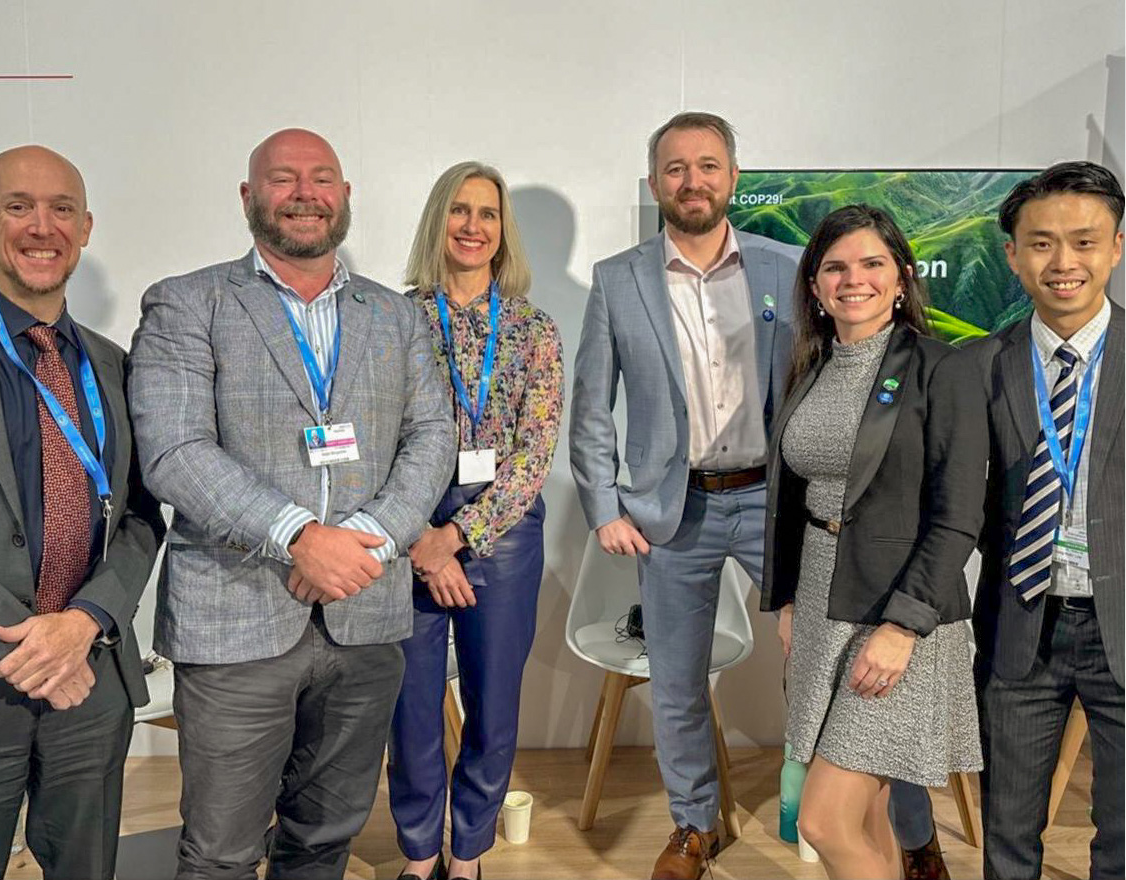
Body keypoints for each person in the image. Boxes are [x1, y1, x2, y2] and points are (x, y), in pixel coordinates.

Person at [127, 128, 456, 880]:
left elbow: (432, 436)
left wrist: (363, 540)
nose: (304, 193)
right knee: (220, 851)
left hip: (365, 615)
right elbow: (175, 452)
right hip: (236, 616)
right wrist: (300, 537)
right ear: (249, 198)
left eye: (321, 178)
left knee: (325, 836)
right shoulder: (187, 303)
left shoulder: (395, 315)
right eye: (283, 179)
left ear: (344, 197)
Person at [570, 111, 799, 880]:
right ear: (653, 183)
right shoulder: (617, 278)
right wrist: (603, 506)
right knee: (674, 681)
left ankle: (858, 816)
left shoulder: (786, 269)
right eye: (675, 168)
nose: (691, 181)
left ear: (732, 176)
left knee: (825, 661)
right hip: (675, 512)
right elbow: (590, 405)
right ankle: (694, 826)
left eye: (707, 165)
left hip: (776, 504)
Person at [0, 145, 164, 879]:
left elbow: (142, 515)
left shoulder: (116, 365)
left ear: (86, 227)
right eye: (18, 206)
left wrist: (83, 624)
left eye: (61, 209)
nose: (42, 227)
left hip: (89, 678)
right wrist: (29, 646)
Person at [760, 204, 985, 879]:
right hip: (820, 606)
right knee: (865, 818)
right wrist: (788, 601)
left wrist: (902, 629)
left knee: (823, 821)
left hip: (898, 617)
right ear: (813, 285)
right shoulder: (811, 365)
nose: (850, 279)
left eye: (870, 264)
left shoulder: (940, 370)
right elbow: (795, 500)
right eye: (833, 266)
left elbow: (956, 517)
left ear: (900, 280)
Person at [386, 162, 563, 880]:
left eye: (486, 214)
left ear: (501, 232)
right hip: (407, 531)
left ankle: (469, 855)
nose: (471, 225)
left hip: (503, 536)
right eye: (458, 211)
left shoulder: (531, 328)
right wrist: (421, 542)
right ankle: (419, 853)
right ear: (439, 221)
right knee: (411, 708)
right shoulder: (394, 319)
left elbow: (533, 453)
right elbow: (373, 441)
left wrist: (457, 538)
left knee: (492, 707)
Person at [971, 161, 1123, 880]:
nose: (1062, 263)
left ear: (1115, 248)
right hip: (1018, 623)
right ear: (1011, 254)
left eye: (1084, 242)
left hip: (1120, 622)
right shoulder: (977, 367)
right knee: (1006, 835)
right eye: (1040, 243)